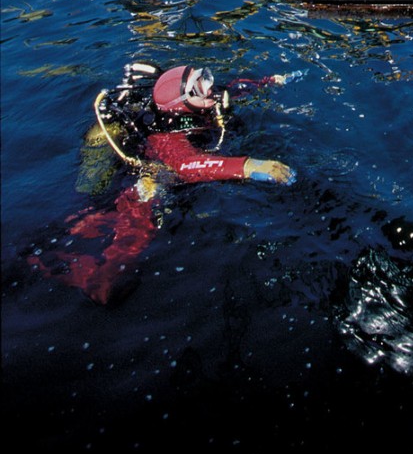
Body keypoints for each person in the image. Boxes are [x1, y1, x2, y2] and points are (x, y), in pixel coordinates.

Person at [29, 60, 296, 304]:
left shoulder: (199, 104)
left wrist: (270, 81)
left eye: (205, 77)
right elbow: (189, 166)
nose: (209, 86)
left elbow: (234, 89)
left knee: (101, 216)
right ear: (182, 103)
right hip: (148, 180)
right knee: (134, 227)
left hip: (155, 165)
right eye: (199, 84)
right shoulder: (168, 139)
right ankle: (91, 277)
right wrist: (249, 166)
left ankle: (59, 241)